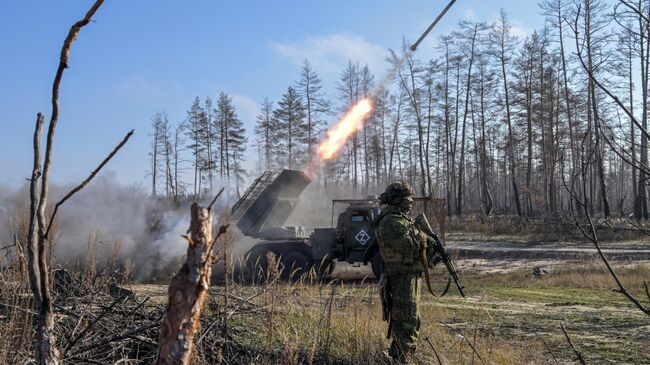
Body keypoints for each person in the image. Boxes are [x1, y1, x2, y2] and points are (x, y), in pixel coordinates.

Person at [374, 181, 427, 363]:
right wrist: (423, 236)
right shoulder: (390, 221)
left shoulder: (400, 218)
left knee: (411, 317)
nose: (411, 201)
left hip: (408, 273)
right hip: (401, 276)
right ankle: (399, 358)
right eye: (407, 198)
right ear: (398, 200)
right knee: (405, 318)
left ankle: (404, 355)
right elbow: (408, 245)